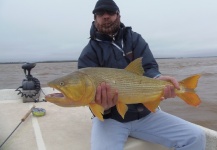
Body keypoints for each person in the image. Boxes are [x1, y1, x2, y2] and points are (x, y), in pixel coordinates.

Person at [78, 0, 206, 149]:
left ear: (118, 15)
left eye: (110, 12)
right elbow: (86, 93)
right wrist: (104, 108)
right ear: (95, 19)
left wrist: (157, 78)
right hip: (110, 120)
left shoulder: (135, 39)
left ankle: (182, 90)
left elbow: (149, 66)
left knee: (196, 136)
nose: (106, 16)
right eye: (100, 13)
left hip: (146, 114)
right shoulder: (88, 53)